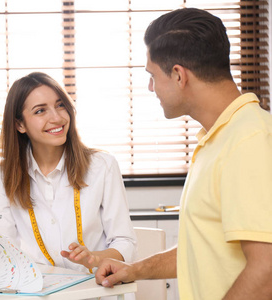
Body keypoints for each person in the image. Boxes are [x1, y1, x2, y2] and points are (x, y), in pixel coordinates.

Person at [95, 7, 272, 300]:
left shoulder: (249, 139)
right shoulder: (217, 139)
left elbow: (266, 270)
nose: (151, 87)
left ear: (178, 75)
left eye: (152, 75)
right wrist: (133, 270)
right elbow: (202, 248)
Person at [0, 72, 136, 275]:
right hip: (39, 292)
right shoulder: (3, 176)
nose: (57, 117)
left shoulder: (102, 166)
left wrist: (95, 258)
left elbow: (126, 243)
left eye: (60, 105)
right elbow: (6, 260)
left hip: (96, 290)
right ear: (20, 124)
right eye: (40, 111)